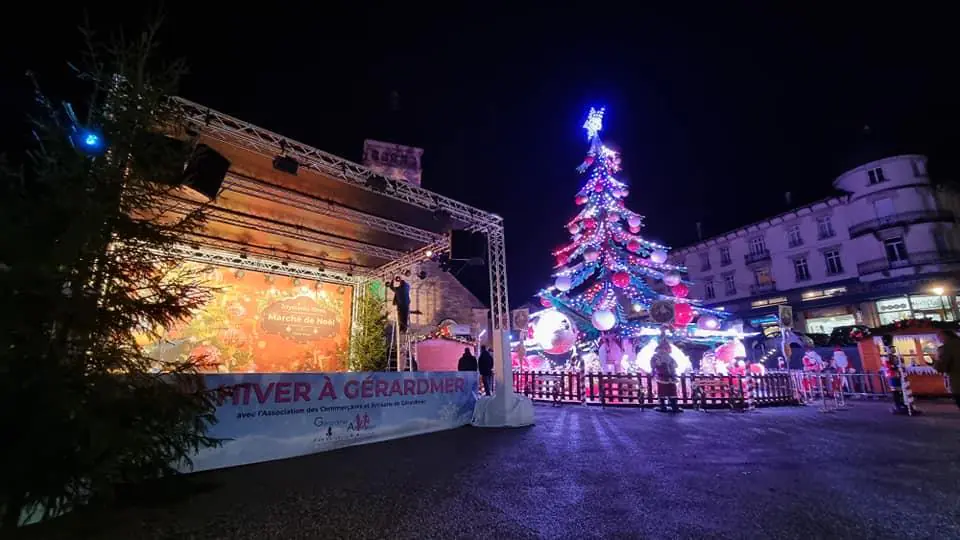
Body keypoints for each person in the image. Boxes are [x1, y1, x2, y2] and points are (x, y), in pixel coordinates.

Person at [935, 329, 960, 409]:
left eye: (939, 336)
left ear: (945, 335)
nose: (939, 339)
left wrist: (935, 362)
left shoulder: (947, 347)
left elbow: (942, 367)